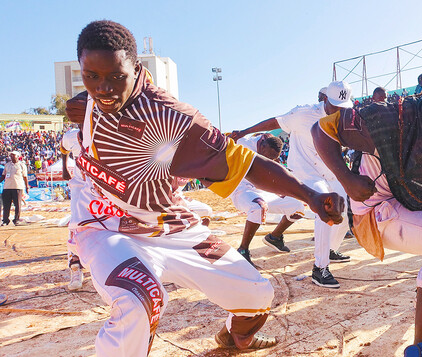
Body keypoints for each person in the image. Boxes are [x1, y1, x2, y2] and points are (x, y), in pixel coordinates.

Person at [66, 20, 345, 356]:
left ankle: (235, 336)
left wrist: (311, 195)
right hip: (106, 225)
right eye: (91, 76)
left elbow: (246, 163)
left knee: (257, 295)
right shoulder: (84, 106)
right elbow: (90, 108)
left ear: (136, 69)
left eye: (116, 76)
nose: (104, 89)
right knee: (140, 298)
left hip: (173, 226)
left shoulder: (173, 119)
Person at [312, 80, 422, 356]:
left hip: (410, 199)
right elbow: (321, 130)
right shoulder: (385, 119)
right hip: (376, 207)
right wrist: (346, 179)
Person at [229, 81, 353, 289]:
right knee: (325, 206)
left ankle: (330, 248)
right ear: (325, 100)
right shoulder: (303, 114)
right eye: (336, 106)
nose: (340, 111)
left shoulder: (345, 116)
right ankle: (320, 269)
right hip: (307, 173)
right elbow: (274, 122)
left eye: (343, 107)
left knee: (347, 207)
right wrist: (243, 132)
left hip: (330, 170)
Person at [230, 133, 305, 266]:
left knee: (297, 207)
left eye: (273, 158)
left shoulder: (267, 144)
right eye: (269, 157)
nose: (269, 160)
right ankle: (243, 250)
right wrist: (277, 189)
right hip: (242, 189)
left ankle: (274, 238)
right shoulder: (242, 144)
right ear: (263, 146)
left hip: (261, 190)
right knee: (258, 207)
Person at [59, 126, 84, 290]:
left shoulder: (108, 130)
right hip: (80, 187)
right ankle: (76, 268)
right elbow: (63, 148)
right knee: (75, 225)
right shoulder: (72, 136)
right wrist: (64, 167)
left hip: (106, 190)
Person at [0, 151, 29, 226]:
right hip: (7, 187)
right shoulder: (7, 165)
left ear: (17, 156)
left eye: (13, 155)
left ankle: (16, 220)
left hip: (17, 187)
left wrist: (27, 186)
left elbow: (25, 177)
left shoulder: (22, 165)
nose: (12, 157)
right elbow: (3, 176)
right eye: (11, 155)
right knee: (6, 205)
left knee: (17, 205)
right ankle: (5, 220)